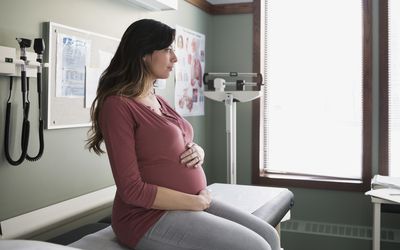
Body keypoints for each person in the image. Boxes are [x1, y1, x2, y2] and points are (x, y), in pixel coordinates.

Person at [86, 19, 280, 250]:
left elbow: (173, 141)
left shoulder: (157, 99)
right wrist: (194, 202)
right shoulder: (117, 105)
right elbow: (131, 190)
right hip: (146, 217)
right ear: (144, 53)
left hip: (190, 201)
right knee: (257, 247)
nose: (175, 58)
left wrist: (199, 151)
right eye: (168, 50)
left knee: (269, 235)